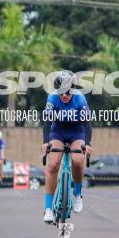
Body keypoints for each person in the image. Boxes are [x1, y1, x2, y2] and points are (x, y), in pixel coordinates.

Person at [41, 71, 92, 222]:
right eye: (60, 92)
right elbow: (47, 122)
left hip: (77, 132)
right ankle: (48, 209)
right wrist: (45, 142)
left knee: (77, 160)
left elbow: (87, 124)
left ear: (73, 88)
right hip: (58, 132)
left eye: (67, 92)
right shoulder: (52, 98)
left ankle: (77, 194)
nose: (64, 95)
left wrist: (88, 144)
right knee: (53, 165)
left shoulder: (80, 98)